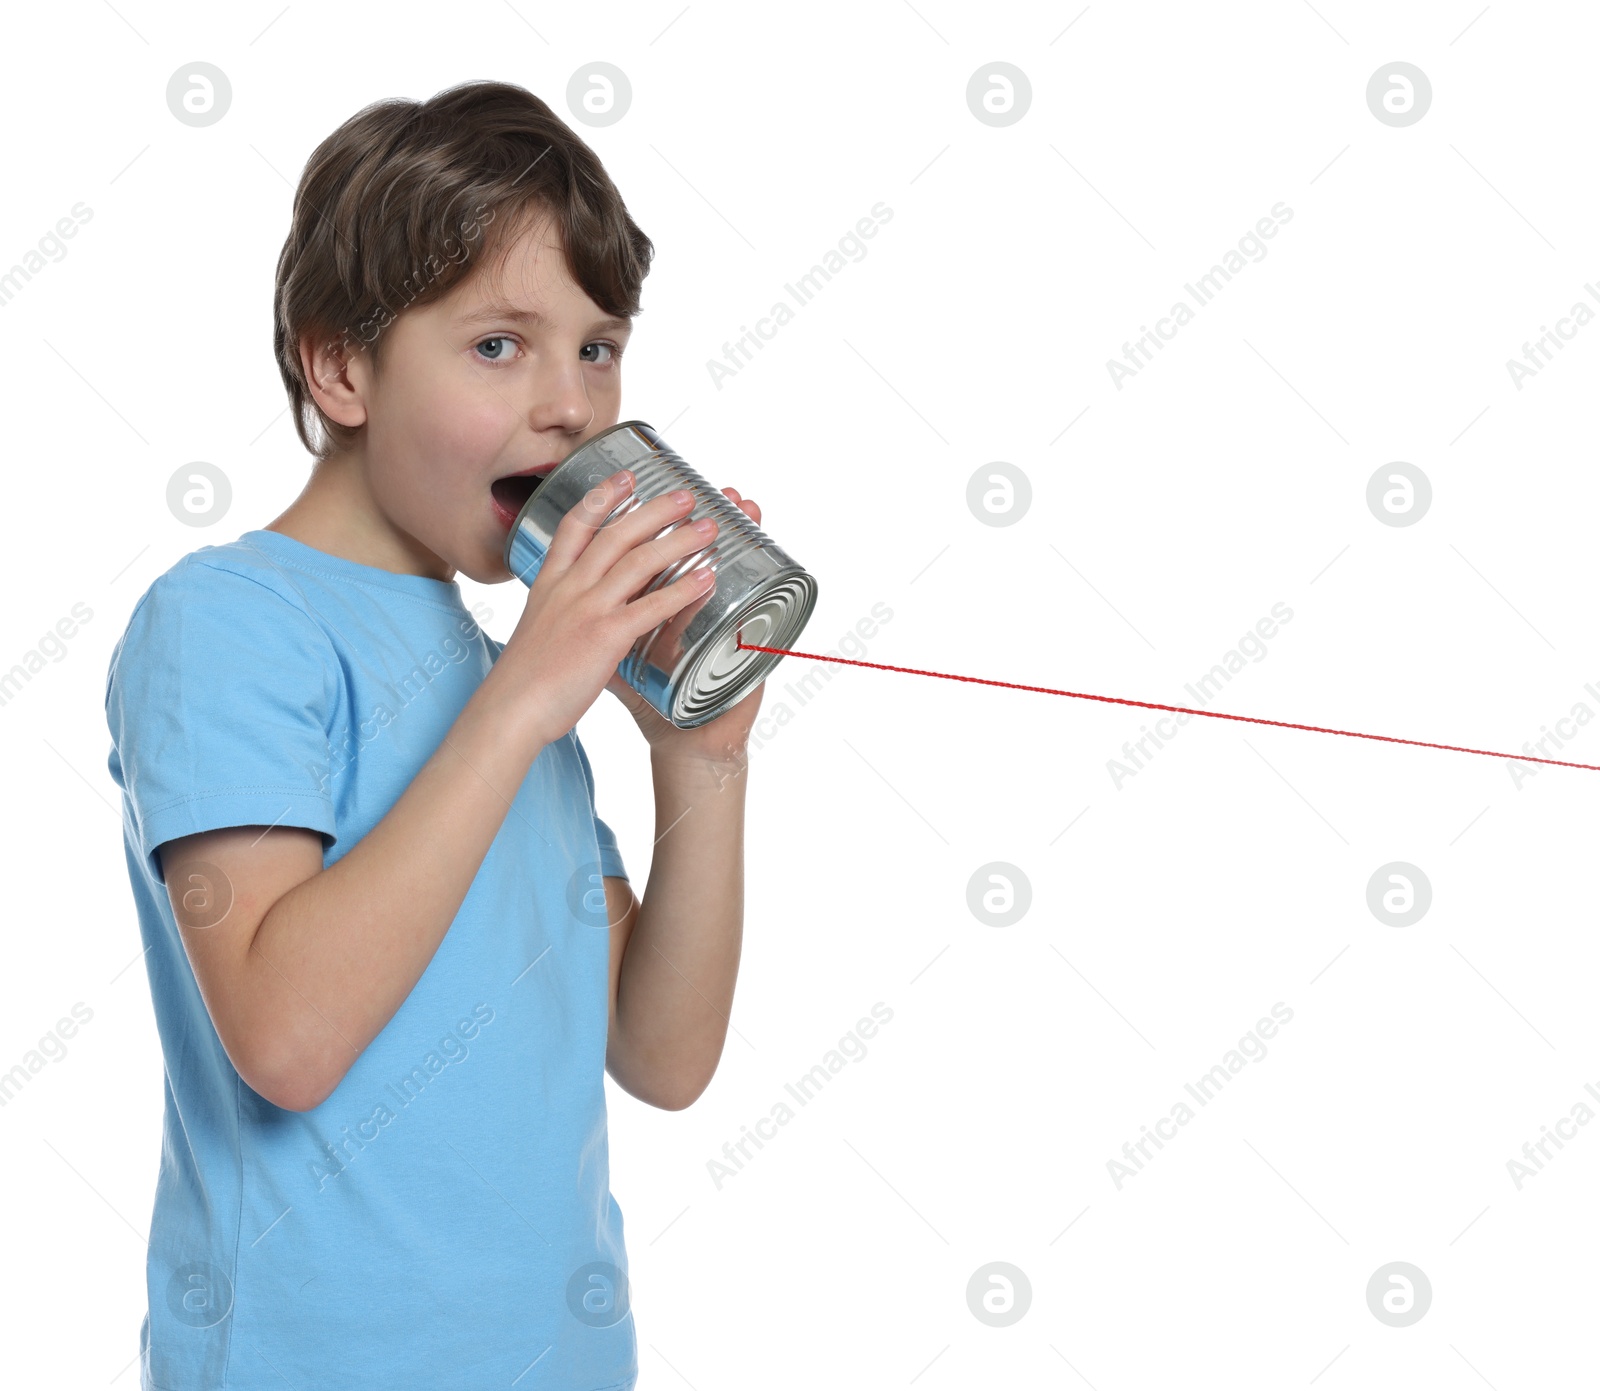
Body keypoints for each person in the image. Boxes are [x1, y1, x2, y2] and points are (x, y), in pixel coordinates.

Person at [104, 79, 764, 1390]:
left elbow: (661, 1054)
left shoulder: (512, 682)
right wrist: (527, 698)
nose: (573, 407)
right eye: (498, 345)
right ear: (340, 366)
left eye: (597, 347)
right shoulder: (230, 623)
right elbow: (287, 1040)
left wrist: (701, 757)